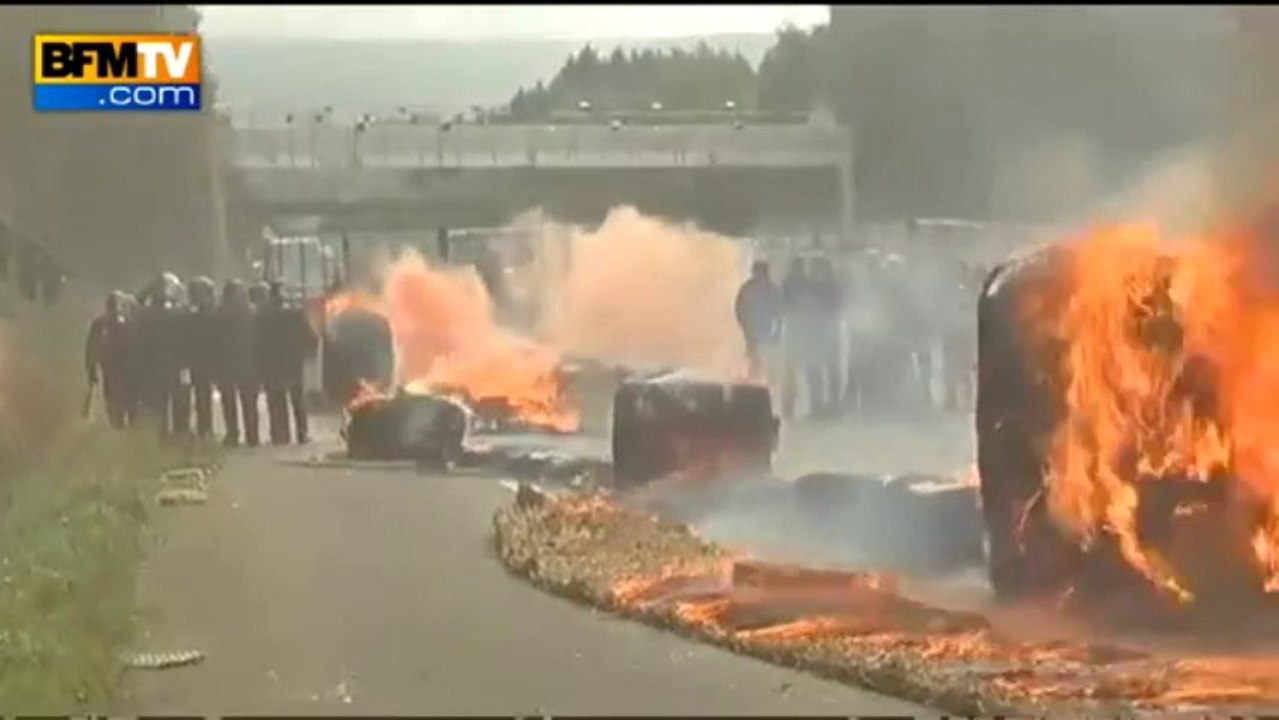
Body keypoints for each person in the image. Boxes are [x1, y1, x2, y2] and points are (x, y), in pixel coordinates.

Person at [258, 281, 317, 445]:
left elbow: (258, 340)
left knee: (276, 401)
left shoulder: (264, 315)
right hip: (293, 362)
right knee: (298, 400)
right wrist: (308, 353)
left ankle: (280, 435)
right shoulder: (296, 313)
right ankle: (302, 434)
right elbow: (310, 335)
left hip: (272, 363)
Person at [135, 273, 187, 438]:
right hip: (175, 364)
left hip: (153, 365)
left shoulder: (143, 314)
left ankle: (161, 435)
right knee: (179, 402)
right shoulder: (179, 313)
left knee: (157, 404)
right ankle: (179, 433)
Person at [217, 280, 261, 447]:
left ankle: (232, 435)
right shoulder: (252, 312)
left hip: (226, 363)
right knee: (249, 402)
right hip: (248, 362)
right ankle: (252, 436)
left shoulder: (219, 313)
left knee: (229, 401)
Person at [84, 291, 137, 428]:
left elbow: (91, 346)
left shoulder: (101, 323)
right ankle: (119, 420)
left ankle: (117, 420)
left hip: (113, 364)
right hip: (118, 365)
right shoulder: (125, 322)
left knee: (113, 393)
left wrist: (91, 367)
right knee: (118, 393)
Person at [780, 257, 821, 420]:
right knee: (808, 370)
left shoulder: (789, 283)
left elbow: (783, 305)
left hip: (795, 329)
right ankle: (812, 405)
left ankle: (789, 407)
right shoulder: (808, 283)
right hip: (804, 330)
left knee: (792, 371)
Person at [734, 260, 783, 385]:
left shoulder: (769, 289)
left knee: (762, 353)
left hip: (763, 326)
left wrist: (777, 329)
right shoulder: (750, 288)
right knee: (754, 352)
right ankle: (753, 377)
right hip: (752, 326)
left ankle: (759, 378)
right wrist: (743, 324)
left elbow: (779, 311)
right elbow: (739, 307)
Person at [808, 255, 844, 417]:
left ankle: (834, 403)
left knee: (831, 368)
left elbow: (839, 306)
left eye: (818, 268)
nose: (816, 272)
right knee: (814, 369)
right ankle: (816, 404)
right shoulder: (811, 287)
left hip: (829, 330)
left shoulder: (832, 287)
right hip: (815, 331)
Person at [185, 276, 220, 439]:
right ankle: (205, 427)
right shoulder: (212, 313)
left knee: (201, 395)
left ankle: (203, 427)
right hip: (203, 359)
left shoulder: (190, 313)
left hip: (198, 360)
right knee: (202, 395)